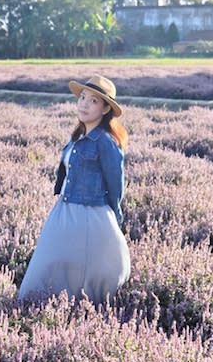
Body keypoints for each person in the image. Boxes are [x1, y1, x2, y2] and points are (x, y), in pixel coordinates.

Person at [18, 74, 131, 302]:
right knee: (47, 262)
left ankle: (84, 310)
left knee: (95, 267)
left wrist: (114, 214)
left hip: (91, 213)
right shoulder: (77, 137)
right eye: (82, 98)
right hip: (65, 209)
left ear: (106, 109)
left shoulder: (106, 143)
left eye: (93, 101)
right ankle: (38, 305)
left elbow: (116, 183)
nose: (84, 104)